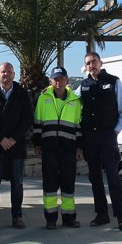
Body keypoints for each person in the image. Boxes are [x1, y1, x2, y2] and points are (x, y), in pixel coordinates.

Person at [79, 51, 122, 231]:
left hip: (108, 136)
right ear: (85, 67)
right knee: (94, 177)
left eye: (94, 61)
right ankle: (101, 214)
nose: (91, 65)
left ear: (100, 63)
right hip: (89, 138)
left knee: (113, 177)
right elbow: (71, 103)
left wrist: (115, 131)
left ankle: (121, 217)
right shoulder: (83, 85)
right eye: (88, 63)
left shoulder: (114, 81)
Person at [0, 62, 34, 231]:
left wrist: (12, 138)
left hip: (16, 147)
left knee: (17, 184)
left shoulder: (22, 94)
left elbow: (27, 119)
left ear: (14, 74)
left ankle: (17, 217)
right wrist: (1, 139)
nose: (7, 74)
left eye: (10, 72)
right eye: (4, 72)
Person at [33, 66, 82, 230]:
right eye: (55, 79)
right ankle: (51, 219)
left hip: (69, 149)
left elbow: (79, 126)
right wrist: (37, 144)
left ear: (67, 80)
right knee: (50, 184)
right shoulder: (43, 98)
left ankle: (69, 218)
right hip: (49, 148)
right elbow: (38, 122)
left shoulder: (75, 100)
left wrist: (79, 147)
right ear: (51, 81)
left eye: (61, 78)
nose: (58, 82)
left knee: (68, 184)